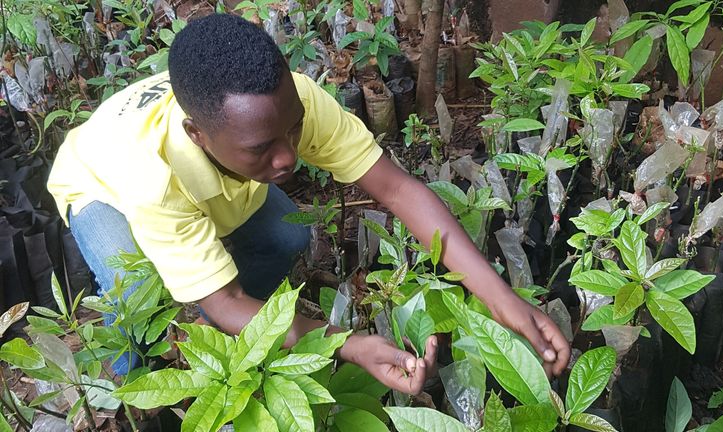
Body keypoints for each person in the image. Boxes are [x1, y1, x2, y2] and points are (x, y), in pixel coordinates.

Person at [47, 13, 569, 395]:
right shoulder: (154, 181)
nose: (289, 157)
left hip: (205, 175)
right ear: (198, 135)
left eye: (293, 129)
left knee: (288, 236)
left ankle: (258, 334)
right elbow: (222, 301)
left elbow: (398, 190)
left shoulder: (286, 105)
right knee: (134, 299)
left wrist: (503, 299)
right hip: (98, 185)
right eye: (263, 149)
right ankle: (126, 389)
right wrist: (345, 342)